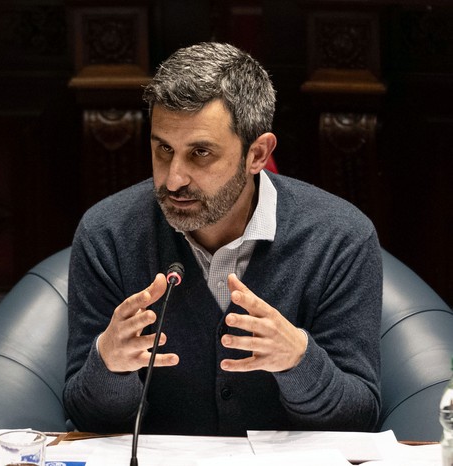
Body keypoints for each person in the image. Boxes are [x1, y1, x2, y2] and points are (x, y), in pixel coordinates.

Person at [63, 42, 382, 436]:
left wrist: (298, 361)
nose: (173, 179)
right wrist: (108, 365)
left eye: (200, 153)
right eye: (163, 149)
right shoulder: (107, 234)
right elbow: (85, 418)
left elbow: (359, 418)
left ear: (257, 154)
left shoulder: (340, 239)